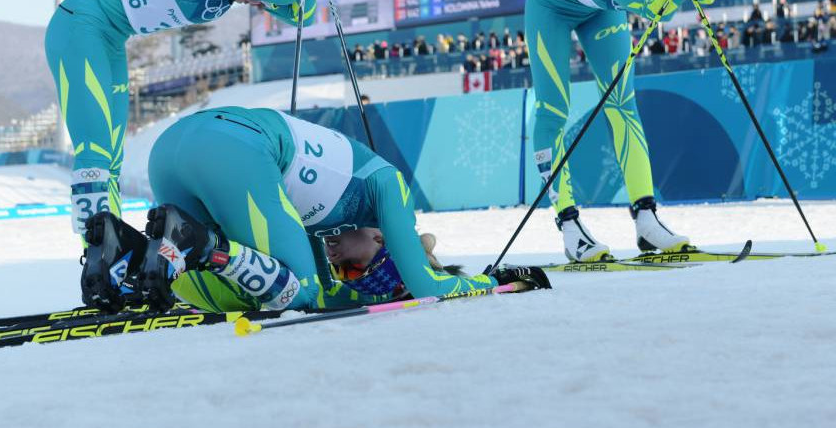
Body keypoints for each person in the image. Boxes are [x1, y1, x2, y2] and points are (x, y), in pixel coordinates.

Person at [44, 0, 325, 236]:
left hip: (110, 39)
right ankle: (98, 255)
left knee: (110, 160)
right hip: (79, 27)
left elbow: (301, 14)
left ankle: (108, 248)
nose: (258, 5)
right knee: (95, 153)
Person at [78, 107, 550, 313]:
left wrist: (352, 293)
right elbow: (428, 286)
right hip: (230, 147)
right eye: (354, 266)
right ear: (384, 240)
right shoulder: (392, 190)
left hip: (174, 147)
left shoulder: (322, 222)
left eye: (343, 271)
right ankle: (196, 242)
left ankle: (123, 253)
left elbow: (330, 293)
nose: (340, 264)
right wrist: (498, 280)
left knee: (205, 287)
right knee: (297, 292)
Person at [521, 0, 740, 262]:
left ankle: (647, 220)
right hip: (550, 6)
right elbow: (659, 9)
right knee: (553, 109)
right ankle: (569, 226)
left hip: (599, 10)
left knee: (622, 103)